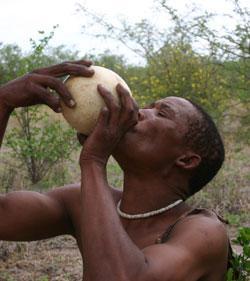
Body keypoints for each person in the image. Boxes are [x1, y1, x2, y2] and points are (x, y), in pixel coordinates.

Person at [0, 61, 230, 281]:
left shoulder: (203, 232)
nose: (138, 112)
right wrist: (3, 103)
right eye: (148, 106)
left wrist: (93, 161)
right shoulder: (82, 202)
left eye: (161, 113)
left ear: (186, 160)